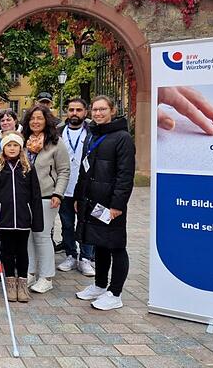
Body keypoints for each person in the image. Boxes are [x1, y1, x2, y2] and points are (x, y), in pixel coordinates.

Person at [74, 95, 135, 311]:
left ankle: (115, 292)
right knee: (99, 242)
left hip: (110, 205)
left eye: (102, 109)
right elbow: (84, 170)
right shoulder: (92, 135)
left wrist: (117, 205)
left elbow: (125, 176)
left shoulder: (122, 138)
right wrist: (79, 197)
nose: (98, 113)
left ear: (112, 110)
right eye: (95, 109)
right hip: (92, 202)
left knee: (116, 246)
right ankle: (100, 285)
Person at [22, 104, 70, 294]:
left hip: (47, 196)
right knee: (28, 236)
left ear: (46, 120)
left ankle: (46, 276)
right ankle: (30, 272)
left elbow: (64, 170)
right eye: (32, 118)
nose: (35, 122)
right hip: (26, 197)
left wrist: (58, 193)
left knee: (42, 236)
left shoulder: (55, 143)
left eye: (39, 118)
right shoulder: (24, 141)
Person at [0, 133, 43, 303]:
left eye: (15, 145)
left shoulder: (28, 167)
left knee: (22, 252)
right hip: (3, 217)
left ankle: (22, 283)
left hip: (22, 217)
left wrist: (36, 219)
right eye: (8, 145)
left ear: (20, 148)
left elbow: (36, 194)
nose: (12, 148)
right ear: (3, 148)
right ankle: (10, 282)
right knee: (7, 251)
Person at [57, 98, 95, 276]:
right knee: (66, 224)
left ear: (85, 112)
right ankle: (71, 254)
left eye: (78, 110)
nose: (74, 113)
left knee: (85, 223)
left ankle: (86, 257)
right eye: (71, 109)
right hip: (63, 187)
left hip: (85, 188)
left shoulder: (91, 132)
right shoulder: (58, 132)